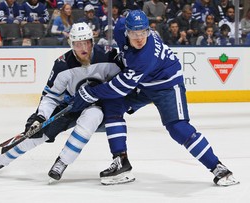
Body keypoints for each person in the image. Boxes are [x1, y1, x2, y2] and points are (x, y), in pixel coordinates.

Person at [70, 10, 239, 186]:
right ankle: (121, 162)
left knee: (178, 128)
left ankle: (219, 168)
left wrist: (90, 92)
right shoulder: (121, 27)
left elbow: (119, 87)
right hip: (144, 82)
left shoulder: (145, 56)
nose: (140, 38)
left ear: (148, 31)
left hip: (167, 85)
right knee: (113, 104)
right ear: (126, 31)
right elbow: (123, 21)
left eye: (143, 32)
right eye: (135, 33)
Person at [0, 22, 124, 182]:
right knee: (36, 133)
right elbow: (51, 96)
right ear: (71, 44)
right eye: (78, 44)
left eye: (86, 42)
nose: (83, 48)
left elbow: (123, 80)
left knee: (91, 116)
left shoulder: (109, 56)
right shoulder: (62, 65)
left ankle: (62, 162)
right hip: (70, 107)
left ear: (92, 41)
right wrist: (40, 117)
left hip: (99, 107)